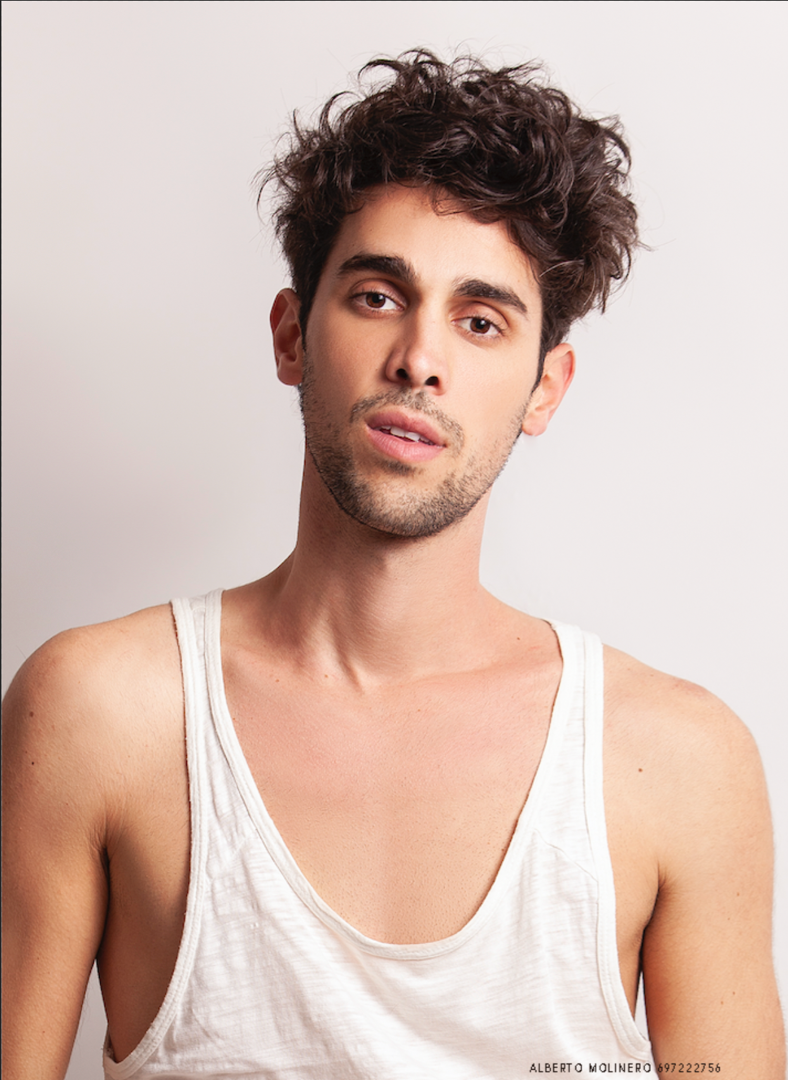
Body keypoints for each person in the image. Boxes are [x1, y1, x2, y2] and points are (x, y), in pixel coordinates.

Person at [2, 50, 783, 1078]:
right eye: (377, 296)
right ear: (292, 335)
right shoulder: (100, 712)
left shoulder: (675, 763)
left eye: (480, 321)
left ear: (545, 389)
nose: (420, 359)